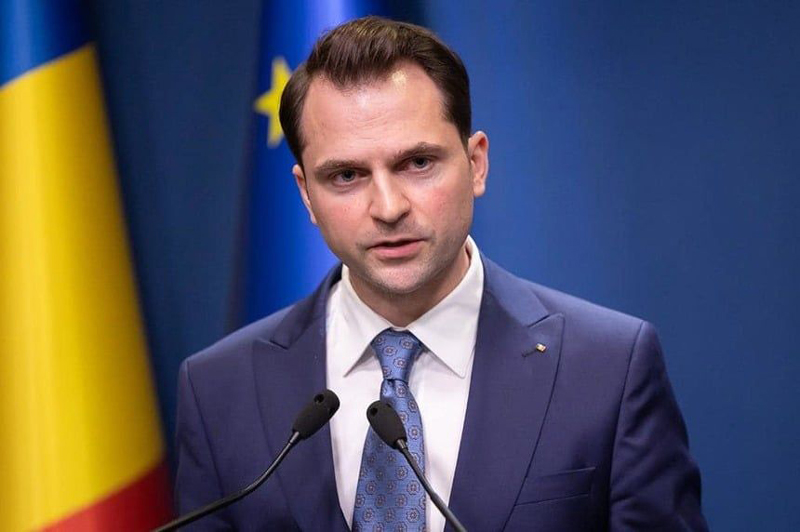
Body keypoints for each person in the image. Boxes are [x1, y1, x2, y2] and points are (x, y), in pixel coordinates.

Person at [174, 16, 707, 531]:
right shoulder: (219, 389)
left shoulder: (608, 369)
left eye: (418, 163)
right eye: (347, 175)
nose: (388, 207)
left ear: (476, 164)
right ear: (306, 195)